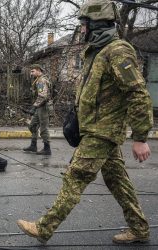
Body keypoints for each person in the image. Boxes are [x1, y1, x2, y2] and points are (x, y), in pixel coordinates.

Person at [17, 0, 153, 245]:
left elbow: (138, 93)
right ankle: (139, 228)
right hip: (96, 129)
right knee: (117, 180)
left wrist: (141, 137)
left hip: (103, 131)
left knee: (75, 176)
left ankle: (44, 228)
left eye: (84, 24)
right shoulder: (97, 52)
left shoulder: (118, 51)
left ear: (97, 24)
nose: (81, 29)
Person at [23, 64, 52, 155]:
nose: (31, 73)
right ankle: (33, 146)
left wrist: (34, 107)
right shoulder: (37, 80)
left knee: (43, 128)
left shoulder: (41, 81)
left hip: (43, 107)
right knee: (32, 125)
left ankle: (47, 149)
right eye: (31, 71)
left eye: (33, 71)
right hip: (39, 107)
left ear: (39, 70)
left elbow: (42, 96)